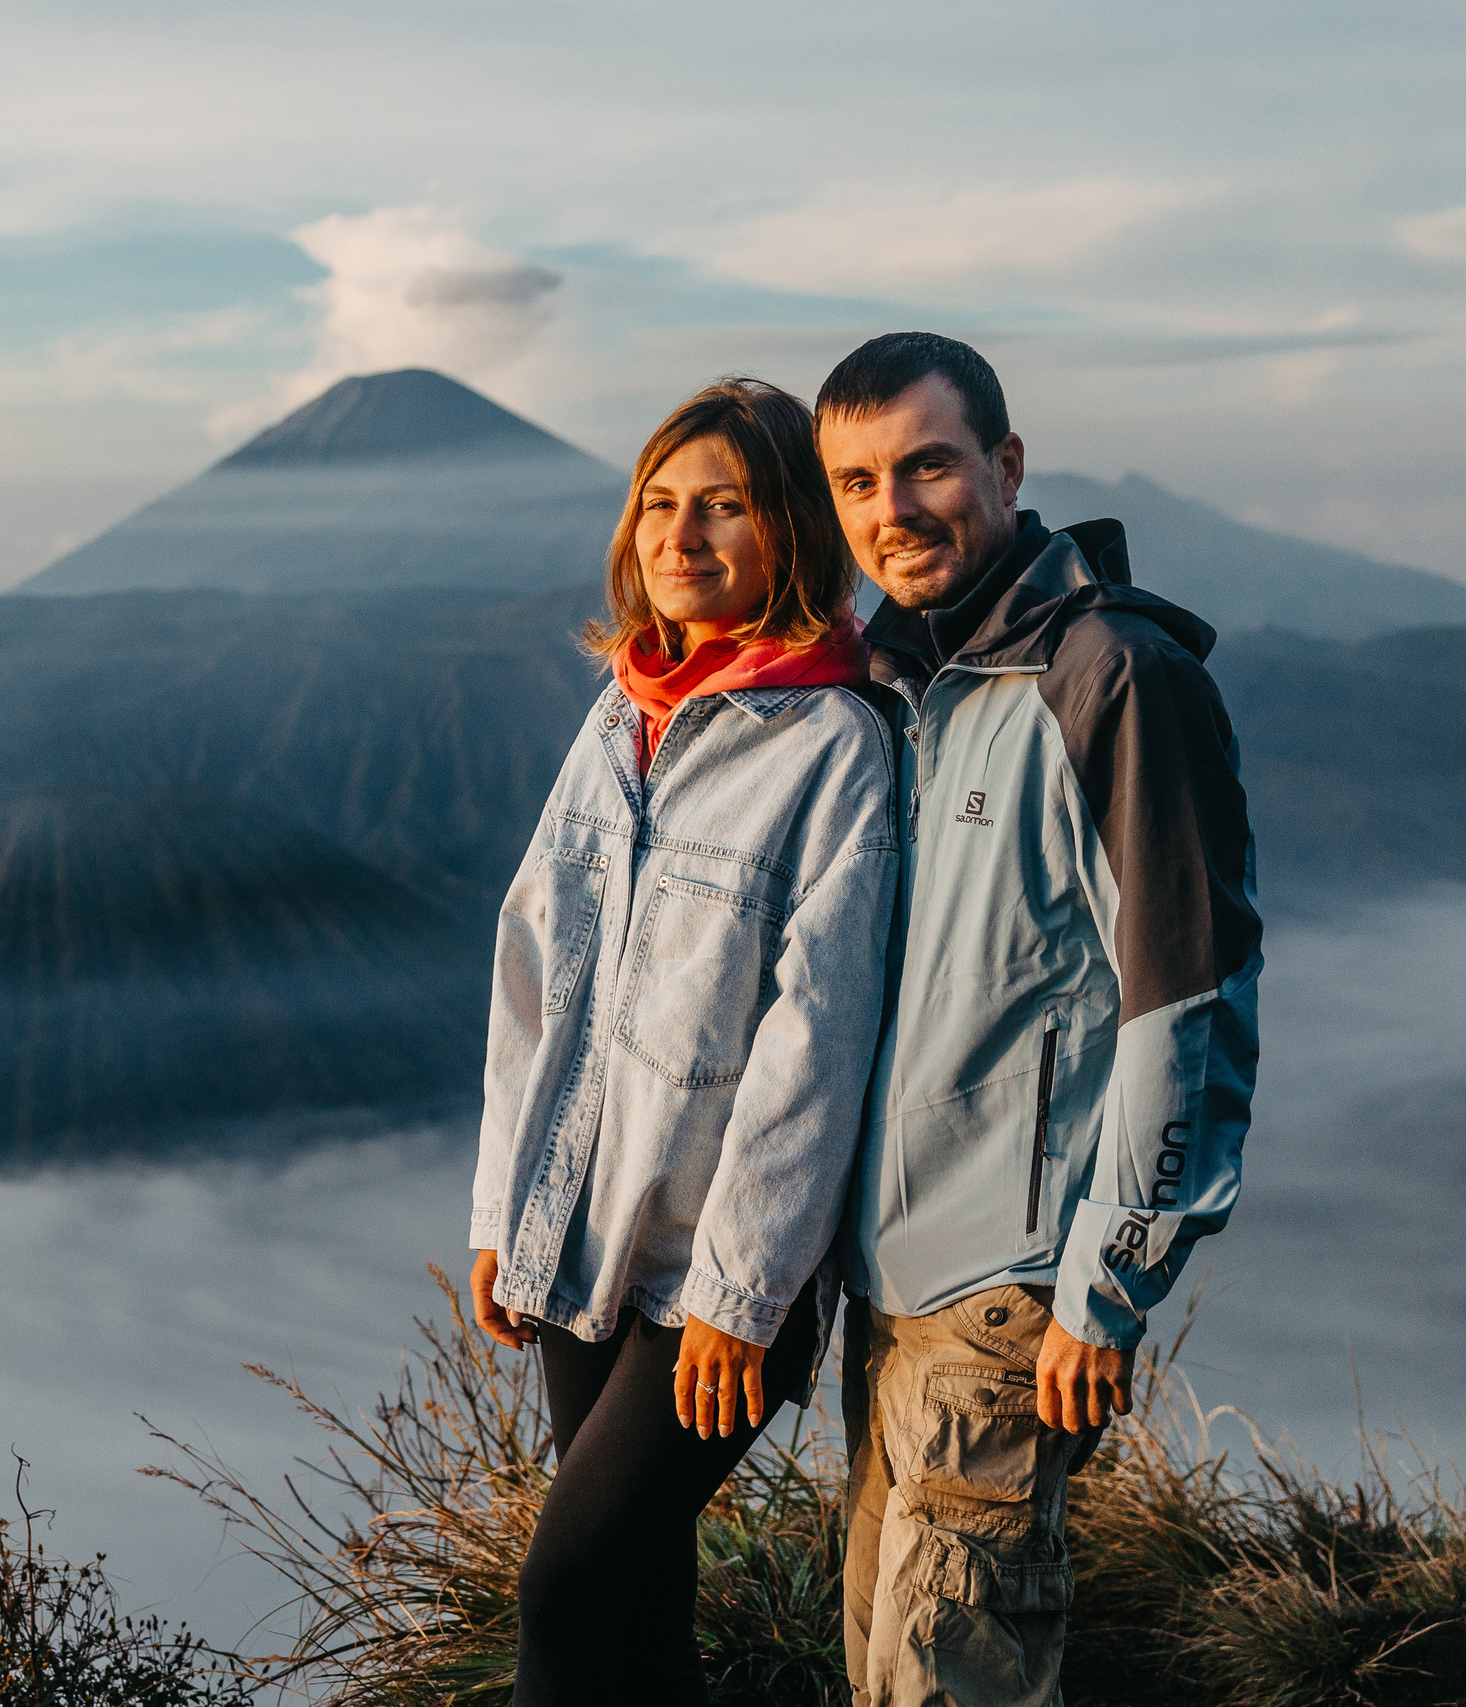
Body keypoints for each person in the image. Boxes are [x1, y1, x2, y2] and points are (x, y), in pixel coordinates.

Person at [814, 332, 1262, 1704]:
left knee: (948, 1684)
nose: (893, 511)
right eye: (857, 481)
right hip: (887, 1299)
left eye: (928, 466)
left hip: (1010, 1300)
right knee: (887, 1677)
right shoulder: (898, 693)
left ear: (1006, 467)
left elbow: (1187, 998)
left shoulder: (1109, 680)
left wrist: (1106, 1287)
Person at [468, 377, 901, 1706]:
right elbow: (531, 974)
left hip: (717, 1281)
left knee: (565, 1583)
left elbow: (814, 1041)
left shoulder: (834, 743)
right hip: (585, 1240)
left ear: (791, 533)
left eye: (725, 505)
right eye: (660, 504)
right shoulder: (619, 719)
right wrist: (505, 1212)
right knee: (637, 1590)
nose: (682, 535)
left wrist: (741, 1290)